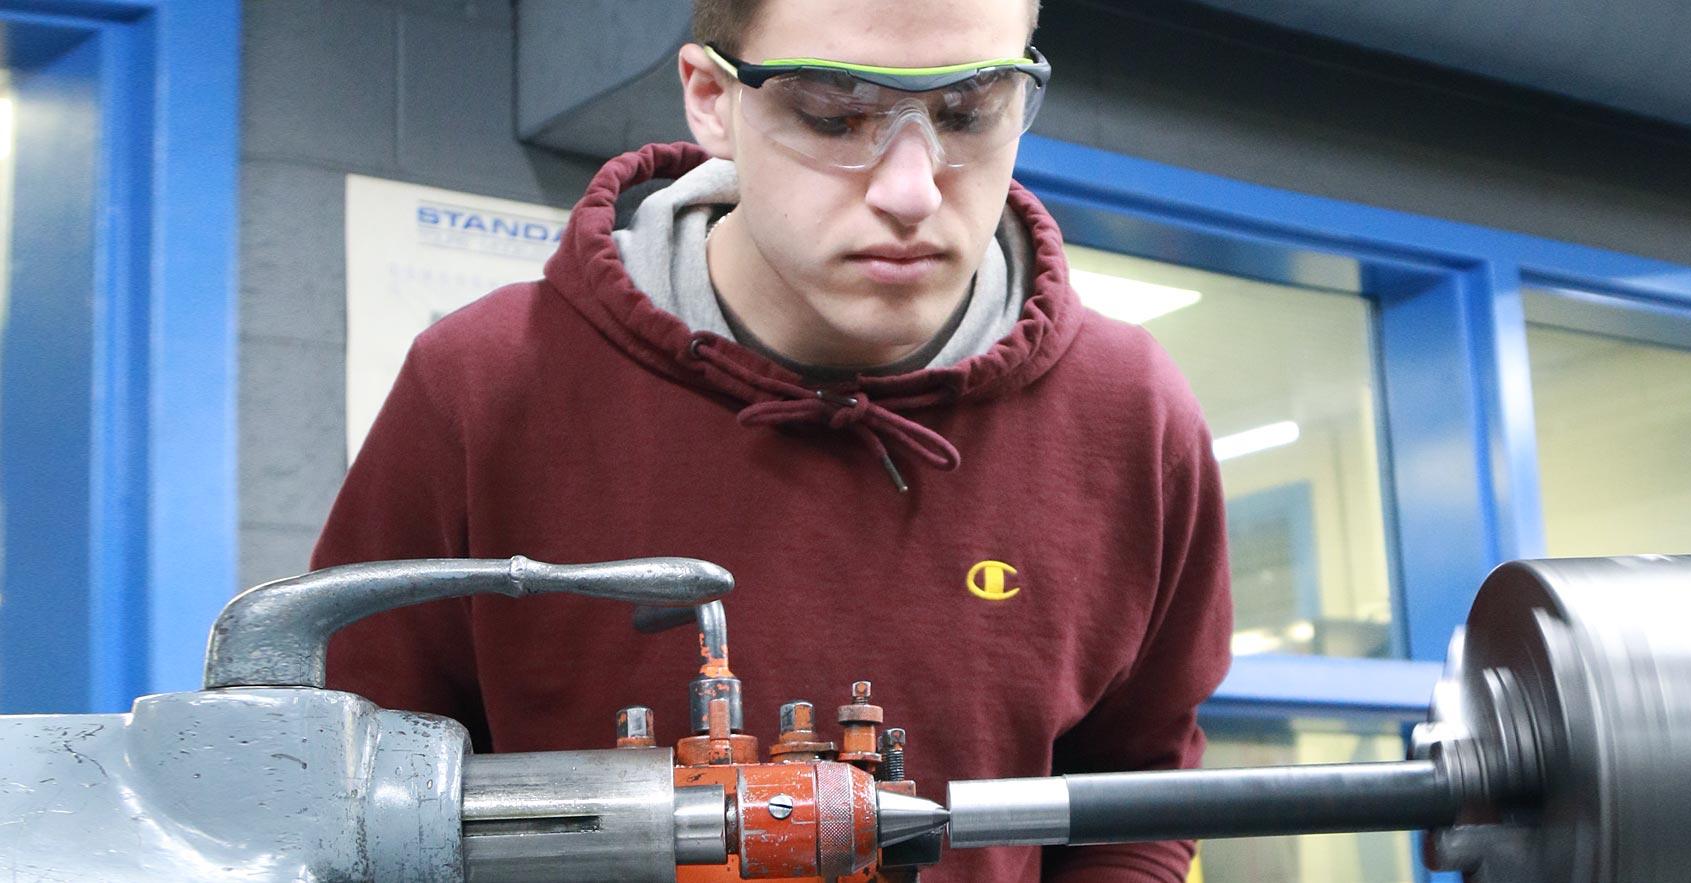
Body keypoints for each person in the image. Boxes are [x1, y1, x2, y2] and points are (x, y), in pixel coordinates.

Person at [318, 0, 1232, 879]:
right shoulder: (483, 386)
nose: (912, 190)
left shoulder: (1133, 419)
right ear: (712, 98)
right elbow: (344, 801)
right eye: (837, 116)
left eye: (968, 111)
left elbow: (1137, 800)